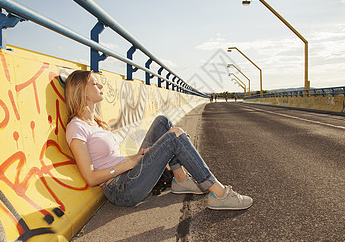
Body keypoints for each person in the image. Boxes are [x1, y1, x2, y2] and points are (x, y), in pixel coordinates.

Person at [64, 70, 252, 210]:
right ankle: (219, 194)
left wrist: (135, 157)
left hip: (129, 172)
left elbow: (113, 158)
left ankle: (180, 180)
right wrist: (132, 162)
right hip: (121, 188)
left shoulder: (97, 123)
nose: (101, 86)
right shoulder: (76, 127)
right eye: (95, 84)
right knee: (174, 136)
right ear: (83, 92)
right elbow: (90, 178)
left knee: (162, 122)